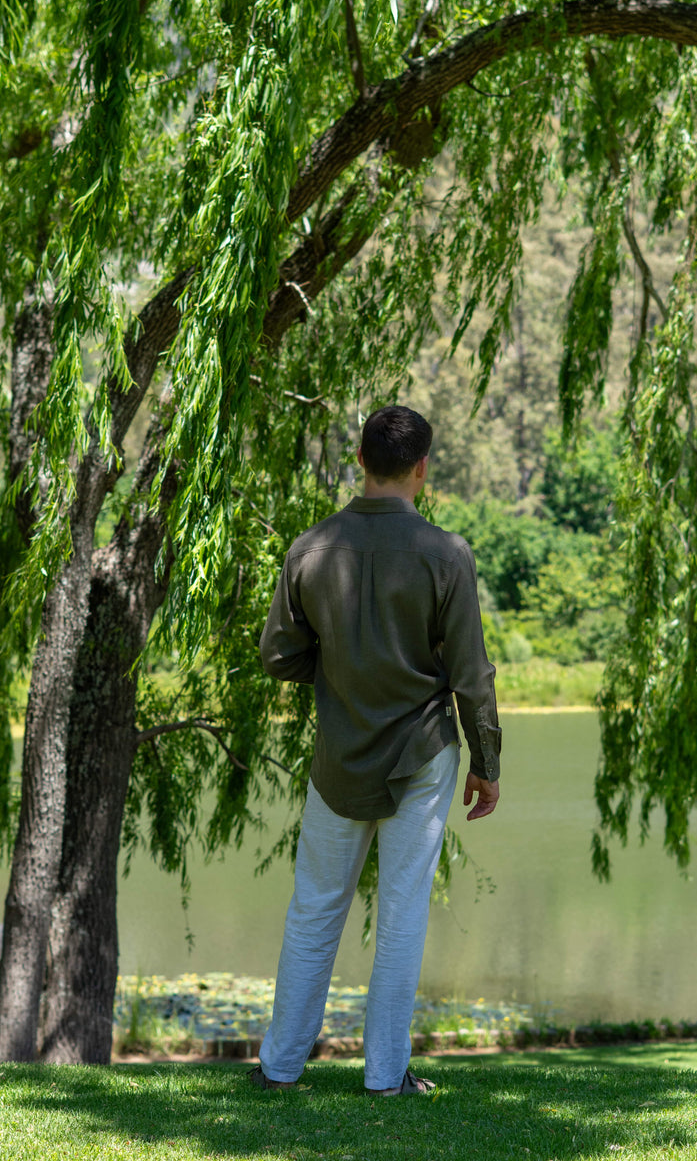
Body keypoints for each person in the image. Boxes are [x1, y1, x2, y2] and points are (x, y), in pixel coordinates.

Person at [250, 405, 501, 1096]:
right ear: (422, 468)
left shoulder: (309, 548)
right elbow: (472, 676)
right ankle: (386, 1078)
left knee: (314, 908)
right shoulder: (447, 554)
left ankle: (279, 1069)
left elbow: (277, 656)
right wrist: (487, 763)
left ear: (359, 459)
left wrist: (337, 672)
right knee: (402, 914)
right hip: (421, 753)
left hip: (338, 753)